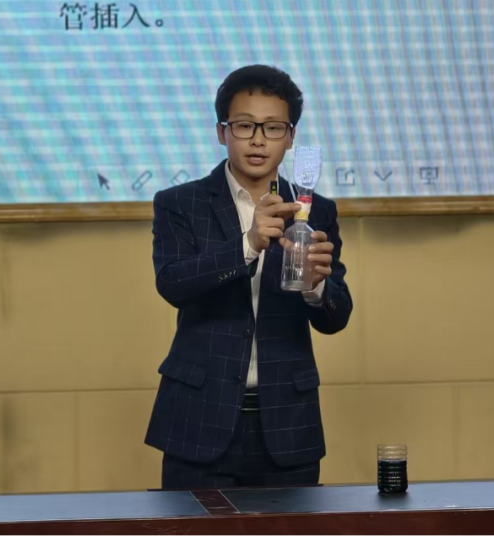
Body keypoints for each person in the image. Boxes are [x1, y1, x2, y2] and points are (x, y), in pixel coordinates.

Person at [145, 64, 353, 490]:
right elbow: (173, 283)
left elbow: (337, 316)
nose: (258, 139)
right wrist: (249, 243)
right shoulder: (180, 203)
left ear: (290, 137)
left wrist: (315, 286)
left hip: (288, 422)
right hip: (198, 418)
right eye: (244, 125)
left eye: (273, 127)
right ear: (221, 132)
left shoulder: (316, 210)